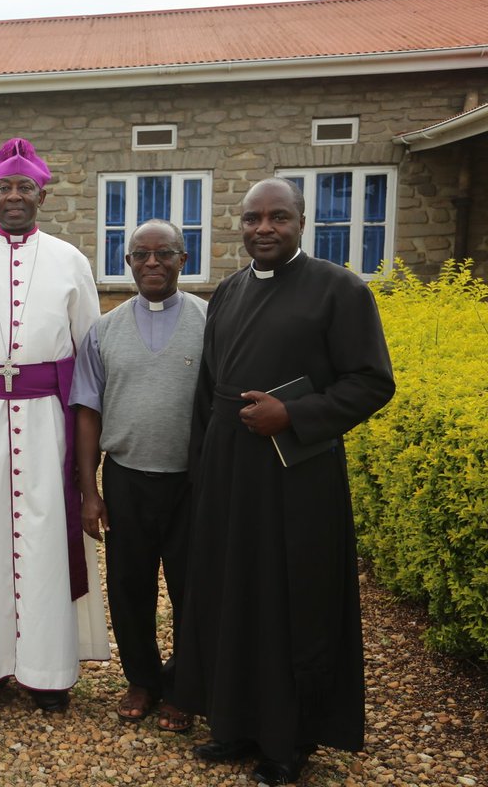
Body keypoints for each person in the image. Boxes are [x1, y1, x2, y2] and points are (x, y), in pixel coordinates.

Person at [175, 178, 395, 785]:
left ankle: (288, 741)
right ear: (239, 225)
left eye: (277, 217)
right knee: (230, 591)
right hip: (228, 473)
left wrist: (293, 414)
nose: (263, 228)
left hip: (297, 474)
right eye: (251, 218)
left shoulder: (340, 290)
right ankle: (235, 723)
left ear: (302, 222)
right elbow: (207, 390)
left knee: (289, 601)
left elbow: (372, 382)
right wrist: (202, 467)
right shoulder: (228, 292)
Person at [0, 138, 110, 712]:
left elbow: (89, 357)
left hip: (48, 425)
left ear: (42, 193)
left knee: (43, 541)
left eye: (25, 187)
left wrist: (86, 439)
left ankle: (46, 672)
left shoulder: (70, 261)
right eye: (4, 188)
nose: (14, 196)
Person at [71, 219, 206, 733]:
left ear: (183, 260)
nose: (153, 262)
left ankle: (187, 687)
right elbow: (87, 412)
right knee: (129, 586)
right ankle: (144, 681)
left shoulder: (210, 322)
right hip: (128, 479)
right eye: (141, 254)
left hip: (191, 483)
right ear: (127, 263)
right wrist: (91, 490)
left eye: (164, 253)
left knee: (193, 588)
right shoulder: (104, 331)